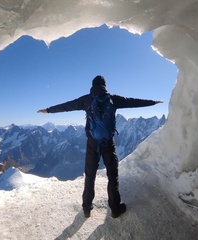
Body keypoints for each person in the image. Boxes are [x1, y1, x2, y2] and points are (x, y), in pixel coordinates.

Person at [37, 75, 163, 218]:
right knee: (112, 175)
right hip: (108, 143)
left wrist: (48, 110)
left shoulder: (86, 99)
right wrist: (154, 102)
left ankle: (86, 208)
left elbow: (66, 106)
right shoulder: (113, 98)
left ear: (93, 86)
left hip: (92, 143)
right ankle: (115, 208)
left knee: (90, 175)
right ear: (104, 85)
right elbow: (134, 102)